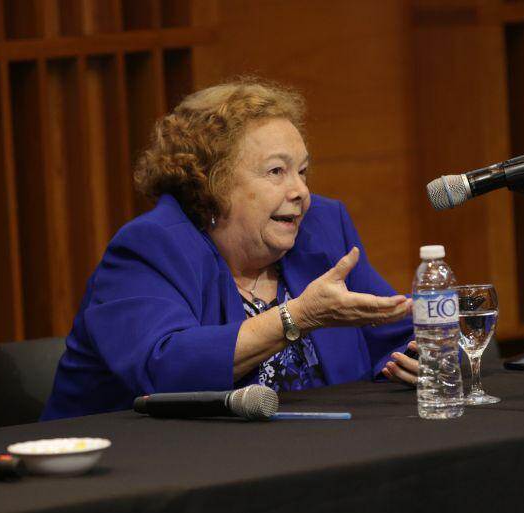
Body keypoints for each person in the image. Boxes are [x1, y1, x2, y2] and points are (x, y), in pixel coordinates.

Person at [42, 77, 421, 420]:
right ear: (212, 183)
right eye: (276, 171)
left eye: (302, 171)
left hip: (312, 451)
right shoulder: (149, 248)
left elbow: (393, 332)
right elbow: (166, 367)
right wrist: (298, 317)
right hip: (131, 461)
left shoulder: (322, 227)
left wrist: (422, 357)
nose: (300, 191)